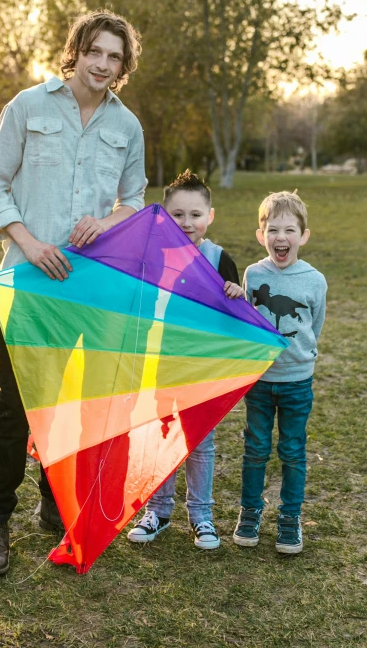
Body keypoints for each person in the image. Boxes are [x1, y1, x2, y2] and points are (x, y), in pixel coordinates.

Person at [0, 9, 147, 576]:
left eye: (114, 56)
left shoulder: (127, 126)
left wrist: (110, 220)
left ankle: (56, 499)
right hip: (29, 279)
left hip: (93, 288)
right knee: (16, 409)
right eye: (94, 51)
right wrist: (31, 241)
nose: (102, 63)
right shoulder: (27, 107)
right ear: (77, 51)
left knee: (71, 401)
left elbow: (135, 199)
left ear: (123, 66)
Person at [127, 169, 244, 550]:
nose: (187, 222)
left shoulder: (219, 258)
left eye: (195, 214)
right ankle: (158, 512)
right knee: (160, 437)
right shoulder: (152, 257)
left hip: (202, 369)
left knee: (200, 442)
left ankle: (202, 517)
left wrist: (235, 294)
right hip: (161, 364)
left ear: (210, 216)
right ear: (163, 215)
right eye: (178, 214)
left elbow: (235, 317)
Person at [233, 190, 327, 554]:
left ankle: (290, 518)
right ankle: (250, 513)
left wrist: (300, 356)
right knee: (255, 449)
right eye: (273, 230)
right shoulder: (254, 275)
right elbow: (250, 318)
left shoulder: (314, 280)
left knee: (292, 450)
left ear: (303, 236)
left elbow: (314, 324)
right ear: (261, 235)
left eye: (289, 230)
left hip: (297, 382)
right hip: (259, 381)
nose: (280, 238)